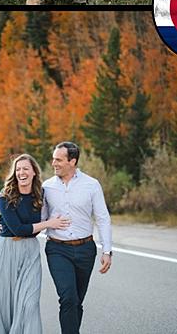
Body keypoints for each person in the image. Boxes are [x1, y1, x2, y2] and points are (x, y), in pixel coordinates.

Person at [0, 153, 71, 334]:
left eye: (26, 168)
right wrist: (49, 223)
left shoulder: (40, 194)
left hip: (30, 251)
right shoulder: (5, 197)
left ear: (34, 172)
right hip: (6, 250)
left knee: (30, 301)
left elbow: (38, 223)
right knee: (3, 301)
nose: (21, 172)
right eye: (18, 169)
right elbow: (18, 229)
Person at [42, 142, 113, 334]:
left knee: (77, 301)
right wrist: (7, 224)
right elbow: (38, 219)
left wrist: (107, 251)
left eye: (58, 159)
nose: (53, 163)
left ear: (72, 161)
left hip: (85, 249)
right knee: (68, 298)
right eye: (53, 158)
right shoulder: (46, 187)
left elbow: (102, 218)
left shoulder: (91, 185)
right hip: (57, 249)